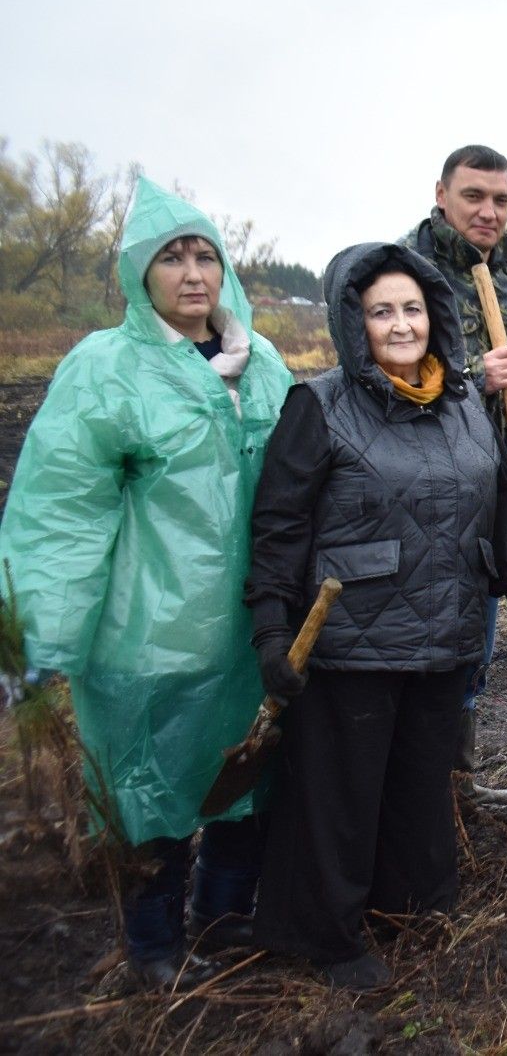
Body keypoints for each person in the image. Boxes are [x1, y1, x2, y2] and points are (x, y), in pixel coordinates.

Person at [0, 179, 292, 990]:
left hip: (246, 635)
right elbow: (62, 514)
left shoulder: (262, 364)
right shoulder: (106, 371)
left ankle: (226, 933)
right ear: (140, 274)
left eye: (205, 254)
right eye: (172, 257)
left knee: (244, 790)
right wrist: (40, 639)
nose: (193, 273)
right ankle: (156, 951)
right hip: (146, 638)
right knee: (147, 803)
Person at [245, 243, 507, 991]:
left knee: (417, 784)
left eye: (412, 308)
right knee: (341, 796)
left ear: (436, 316)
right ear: (355, 322)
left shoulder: (466, 407)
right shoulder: (320, 405)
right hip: (351, 643)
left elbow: (503, 513)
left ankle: (408, 907)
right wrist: (272, 629)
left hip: (445, 634)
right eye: (382, 311)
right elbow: (280, 527)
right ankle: (327, 936)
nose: (401, 323)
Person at [403, 144, 507, 808]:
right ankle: (416, 792)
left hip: (492, 493)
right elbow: (377, 379)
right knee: (426, 643)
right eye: (475, 197)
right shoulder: (404, 274)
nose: (489, 212)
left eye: (502, 200)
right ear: (441, 194)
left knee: (473, 648)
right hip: (420, 493)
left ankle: (454, 791)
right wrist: (468, 379)